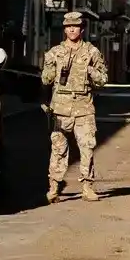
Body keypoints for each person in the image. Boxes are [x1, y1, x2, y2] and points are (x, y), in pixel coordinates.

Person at [41, 11, 108, 203]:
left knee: (87, 148)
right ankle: (54, 187)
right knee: (58, 149)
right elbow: (45, 79)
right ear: (64, 29)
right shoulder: (55, 52)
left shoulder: (92, 52)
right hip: (60, 109)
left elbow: (103, 79)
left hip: (84, 108)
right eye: (68, 26)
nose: (72, 29)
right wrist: (51, 70)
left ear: (82, 29)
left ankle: (87, 187)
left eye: (75, 26)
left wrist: (90, 71)